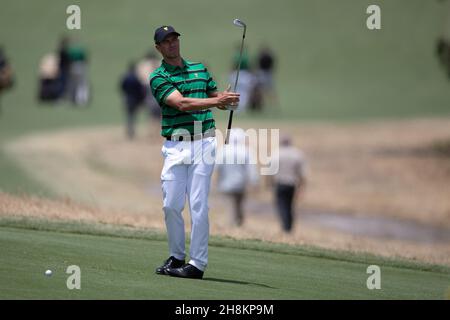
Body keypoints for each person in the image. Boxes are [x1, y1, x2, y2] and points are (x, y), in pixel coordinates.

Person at [149, 25, 239, 279]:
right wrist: (216, 102)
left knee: (198, 204)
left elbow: (214, 97)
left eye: (175, 39)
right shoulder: (158, 77)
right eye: (166, 42)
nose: (172, 44)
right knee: (171, 205)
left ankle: (197, 264)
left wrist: (227, 100)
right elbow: (182, 103)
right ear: (158, 48)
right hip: (176, 146)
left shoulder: (199, 69)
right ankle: (177, 256)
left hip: (204, 142)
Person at [216, 128, 259, 226]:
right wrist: (255, 182)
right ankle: (237, 224)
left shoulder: (223, 150)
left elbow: (216, 167)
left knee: (231, 207)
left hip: (225, 184)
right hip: (241, 185)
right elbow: (251, 169)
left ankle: (233, 225)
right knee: (239, 206)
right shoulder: (246, 151)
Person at [271, 135, 306, 232]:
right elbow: (302, 174)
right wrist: (302, 187)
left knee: (281, 205)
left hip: (280, 183)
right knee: (290, 205)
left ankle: (285, 226)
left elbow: (270, 171)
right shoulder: (297, 154)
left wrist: (269, 184)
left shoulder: (276, 154)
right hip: (292, 184)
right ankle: (289, 226)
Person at [120, 62, 146, 139]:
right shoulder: (136, 78)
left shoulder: (125, 77)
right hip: (135, 100)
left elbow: (122, 87)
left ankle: (129, 130)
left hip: (127, 98)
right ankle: (131, 131)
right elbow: (140, 89)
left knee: (129, 115)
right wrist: (141, 99)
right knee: (133, 116)